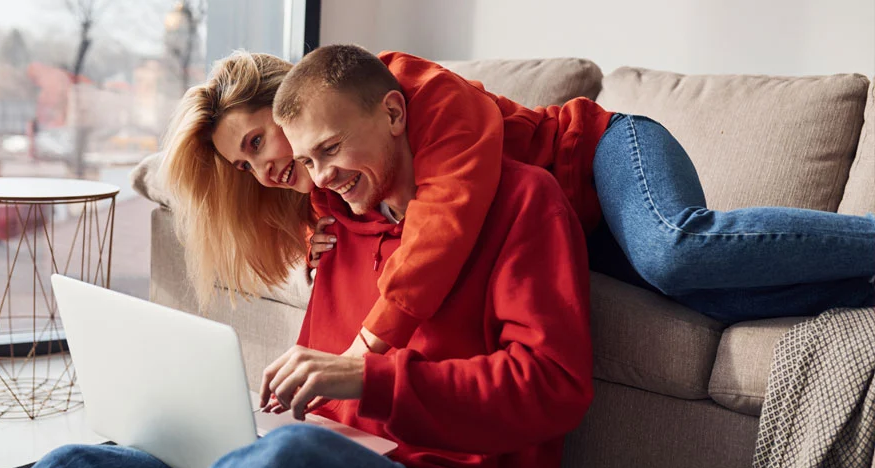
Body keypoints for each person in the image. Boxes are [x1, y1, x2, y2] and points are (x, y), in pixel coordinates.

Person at [0, 46, 593, 468]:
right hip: (316, 462)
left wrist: (371, 379)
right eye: (309, 159)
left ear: (394, 114)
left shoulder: (525, 201)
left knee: (292, 458)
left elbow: (552, 388)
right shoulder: (333, 221)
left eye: (332, 149)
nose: (320, 175)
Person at [162, 46, 873, 358]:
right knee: (710, 299)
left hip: (600, 156)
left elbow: (444, 220)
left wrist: (370, 345)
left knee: (674, 248)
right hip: (571, 230)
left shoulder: (418, 94)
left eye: (257, 142)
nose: (263, 169)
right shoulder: (331, 180)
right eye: (242, 163)